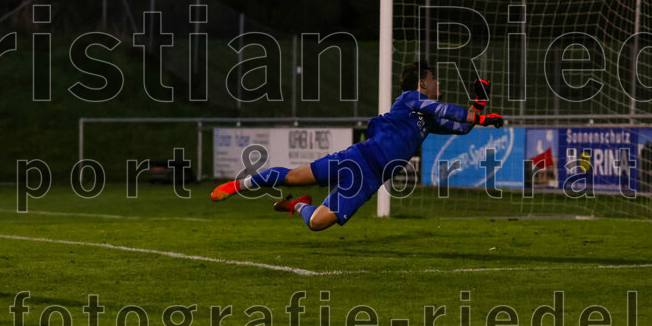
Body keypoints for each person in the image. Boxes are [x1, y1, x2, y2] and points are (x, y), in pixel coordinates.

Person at [211, 60, 503, 230]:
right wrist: (473, 114)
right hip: (358, 157)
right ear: (422, 84)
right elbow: (447, 111)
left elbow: (461, 126)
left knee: (316, 224)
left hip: (371, 179)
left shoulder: (427, 118)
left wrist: (479, 107)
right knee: (293, 176)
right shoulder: (409, 100)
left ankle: (297, 205)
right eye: (433, 78)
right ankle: (237, 185)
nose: (438, 82)